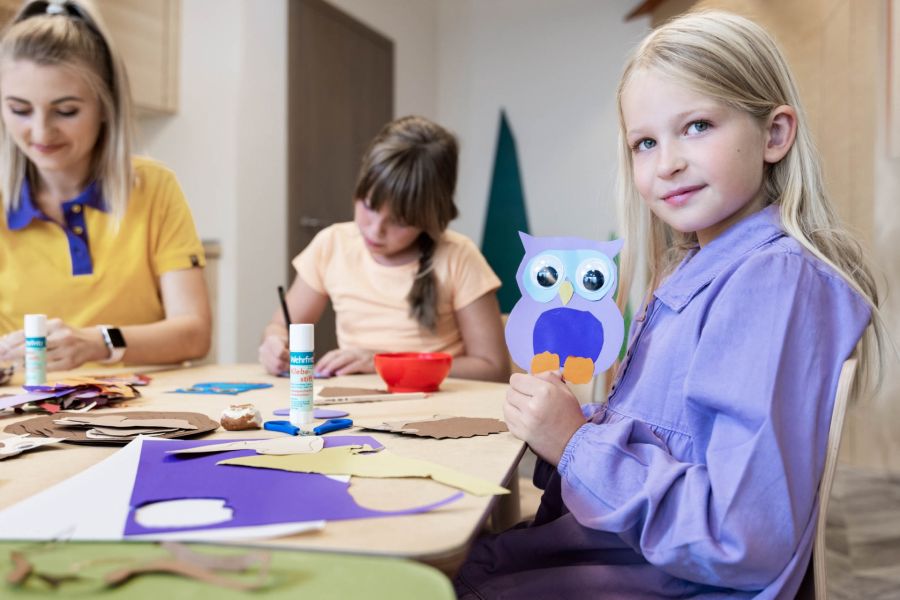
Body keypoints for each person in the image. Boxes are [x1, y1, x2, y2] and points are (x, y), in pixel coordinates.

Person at [455, 11, 886, 599]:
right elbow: (673, 442)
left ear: (775, 135)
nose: (667, 163)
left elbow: (740, 537)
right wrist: (569, 423)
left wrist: (576, 445)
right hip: (633, 561)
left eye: (699, 126)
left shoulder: (769, 283)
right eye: (646, 142)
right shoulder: (697, 272)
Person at [0, 0, 211, 371]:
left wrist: (99, 342)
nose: (40, 132)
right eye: (19, 109)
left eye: (66, 111)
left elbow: (194, 333)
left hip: (140, 410)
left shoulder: (153, 186)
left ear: (105, 105)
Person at [259, 116, 509, 382]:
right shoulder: (332, 245)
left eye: (400, 221)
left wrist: (383, 362)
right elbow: (280, 325)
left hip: (435, 412)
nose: (375, 229)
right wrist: (274, 342)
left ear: (430, 217)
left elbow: (493, 368)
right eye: (369, 206)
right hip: (357, 407)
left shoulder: (459, 256)